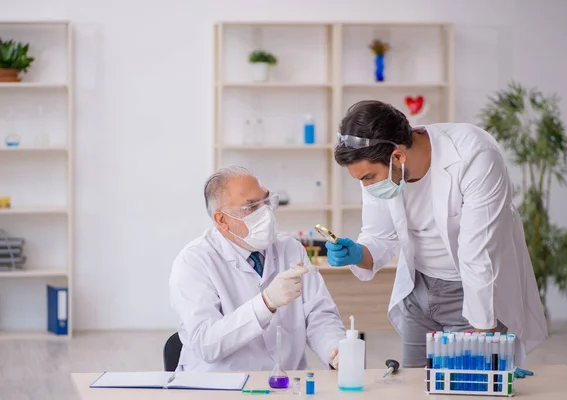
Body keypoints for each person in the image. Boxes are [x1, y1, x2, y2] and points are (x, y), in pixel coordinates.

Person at [326, 100, 547, 370]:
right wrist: (358, 253)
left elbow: (477, 255)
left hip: (470, 291)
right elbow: (379, 236)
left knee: (474, 384)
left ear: (397, 156)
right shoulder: (381, 169)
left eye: (369, 177)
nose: (366, 186)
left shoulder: (475, 155)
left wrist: (488, 343)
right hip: (418, 291)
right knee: (414, 386)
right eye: (360, 179)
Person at [170, 165, 345, 372]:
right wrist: (266, 303)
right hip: (220, 387)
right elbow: (207, 344)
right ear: (222, 220)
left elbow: (319, 315)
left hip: (285, 384)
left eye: (266, 201)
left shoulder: (290, 249)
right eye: (252, 206)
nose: (266, 213)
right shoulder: (194, 261)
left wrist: (334, 349)